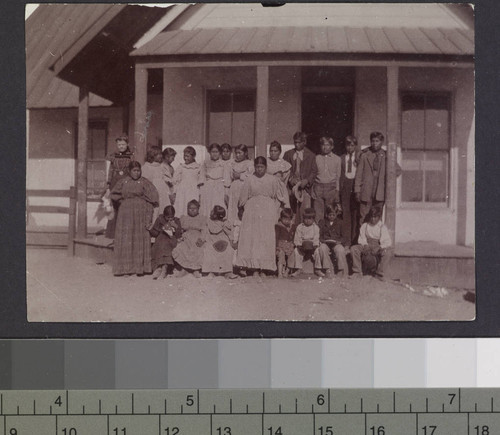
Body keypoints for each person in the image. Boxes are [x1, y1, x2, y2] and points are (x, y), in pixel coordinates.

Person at [235, 156, 288, 276]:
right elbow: (243, 197)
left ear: (266, 167)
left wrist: (277, 209)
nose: (259, 169)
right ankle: (253, 268)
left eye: (262, 167)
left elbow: (279, 196)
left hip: (267, 211)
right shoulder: (249, 180)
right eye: (257, 167)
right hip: (252, 211)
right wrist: (242, 207)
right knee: (253, 238)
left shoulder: (272, 180)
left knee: (265, 238)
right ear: (254, 167)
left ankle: (264, 268)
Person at [110, 161, 159, 276]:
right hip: (126, 213)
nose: (137, 173)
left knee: (138, 238)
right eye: (134, 171)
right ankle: (125, 269)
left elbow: (154, 197)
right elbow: (113, 194)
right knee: (126, 238)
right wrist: (123, 201)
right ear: (129, 171)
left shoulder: (144, 182)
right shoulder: (123, 181)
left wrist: (147, 211)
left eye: (138, 170)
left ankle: (139, 268)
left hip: (140, 213)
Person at [283, 131, 318, 222]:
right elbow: (285, 169)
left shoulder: (311, 155)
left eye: (299, 142)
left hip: (305, 189)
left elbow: (314, 171)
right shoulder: (288, 154)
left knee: (305, 212)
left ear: (304, 142)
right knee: (291, 212)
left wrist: (307, 181)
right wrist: (291, 178)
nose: (297, 144)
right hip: (291, 188)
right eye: (295, 142)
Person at [354, 131, 386, 226]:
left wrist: (384, 181)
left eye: (377, 141)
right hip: (366, 192)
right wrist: (357, 191)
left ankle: (374, 239)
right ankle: (362, 240)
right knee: (363, 217)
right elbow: (358, 175)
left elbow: (397, 170)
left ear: (382, 142)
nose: (375, 143)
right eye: (373, 141)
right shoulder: (365, 155)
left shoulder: (386, 156)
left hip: (379, 193)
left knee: (377, 217)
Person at [105, 134, 134, 239]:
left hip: (126, 182)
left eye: (123, 144)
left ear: (127, 144)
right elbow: (110, 171)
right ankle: (112, 233)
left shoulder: (131, 156)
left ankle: (124, 232)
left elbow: (133, 170)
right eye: (119, 144)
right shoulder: (113, 156)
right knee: (114, 207)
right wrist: (108, 184)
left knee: (125, 206)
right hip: (115, 182)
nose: (121, 146)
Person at [350, 206, 393, 279]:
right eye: (372, 217)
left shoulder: (382, 227)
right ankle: (357, 272)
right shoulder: (365, 225)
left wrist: (380, 247)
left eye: (375, 217)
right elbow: (362, 238)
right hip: (366, 245)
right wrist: (365, 245)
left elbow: (387, 241)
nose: (373, 219)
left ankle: (379, 273)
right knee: (354, 248)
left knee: (387, 252)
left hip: (378, 246)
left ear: (379, 217)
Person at [292, 208, 333, 278]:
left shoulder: (315, 227)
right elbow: (297, 237)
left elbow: (316, 237)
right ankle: (299, 268)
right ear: (303, 219)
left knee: (317, 251)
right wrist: (299, 245)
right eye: (305, 219)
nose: (307, 221)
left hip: (312, 245)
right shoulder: (300, 227)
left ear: (313, 219)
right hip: (302, 245)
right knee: (296, 251)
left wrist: (315, 245)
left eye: (310, 219)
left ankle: (318, 268)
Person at [172, 199, 206, 278]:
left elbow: (205, 230)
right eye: (190, 208)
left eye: (195, 208)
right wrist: (179, 237)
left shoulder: (202, 218)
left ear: (198, 209)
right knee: (181, 247)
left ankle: (195, 269)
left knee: (199, 249)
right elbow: (179, 229)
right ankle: (185, 269)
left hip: (198, 237)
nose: (193, 210)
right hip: (186, 237)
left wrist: (202, 239)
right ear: (187, 209)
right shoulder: (184, 218)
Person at [202, 205, 238, 278]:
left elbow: (229, 234)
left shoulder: (225, 223)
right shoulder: (208, 222)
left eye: (213, 212)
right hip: (211, 239)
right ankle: (211, 271)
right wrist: (202, 239)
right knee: (209, 249)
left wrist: (231, 242)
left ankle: (228, 271)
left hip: (223, 240)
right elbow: (205, 232)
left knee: (228, 250)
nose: (211, 212)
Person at [312, 136, 341, 222]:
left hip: (331, 188)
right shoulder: (316, 158)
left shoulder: (337, 159)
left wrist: (337, 191)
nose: (325, 147)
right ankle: (320, 234)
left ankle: (329, 234)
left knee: (330, 213)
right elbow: (313, 174)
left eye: (327, 145)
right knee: (318, 215)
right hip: (318, 188)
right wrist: (313, 189)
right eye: (323, 145)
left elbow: (338, 177)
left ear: (332, 146)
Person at [149, 205, 182, 280]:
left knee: (166, 244)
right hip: (161, 238)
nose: (170, 219)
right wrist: (150, 229)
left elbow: (178, 235)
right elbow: (155, 233)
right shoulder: (160, 219)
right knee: (160, 244)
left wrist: (176, 227)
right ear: (164, 215)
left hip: (171, 239)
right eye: (168, 217)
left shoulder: (176, 220)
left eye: (171, 217)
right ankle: (159, 268)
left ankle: (164, 268)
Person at [142, 145, 171, 223]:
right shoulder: (146, 167)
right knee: (155, 209)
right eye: (158, 154)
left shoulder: (162, 166)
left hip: (163, 192)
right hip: (153, 190)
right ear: (152, 155)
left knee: (164, 208)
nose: (160, 156)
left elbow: (166, 177)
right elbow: (145, 181)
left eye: (161, 154)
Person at [340, 135, 360, 246]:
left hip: (355, 185)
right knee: (346, 214)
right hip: (346, 186)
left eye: (352, 145)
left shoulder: (359, 157)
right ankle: (346, 241)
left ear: (356, 146)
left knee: (356, 214)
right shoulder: (342, 158)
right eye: (348, 145)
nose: (350, 148)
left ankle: (354, 241)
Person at [318, 204, 349, 277]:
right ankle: (327, 269)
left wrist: (340, 241)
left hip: (336, 242)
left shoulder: (340, 222)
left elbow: (344, 236)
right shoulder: (322, 222)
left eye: (333, 215)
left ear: (337, 214)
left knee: (340, 250)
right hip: (326, 242)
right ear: (326, 215)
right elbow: (320, 235)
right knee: (322, 248)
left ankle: (341, 269)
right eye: (330, 215)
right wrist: (323, 240)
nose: (331, 217)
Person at [199, 143, 228, 218]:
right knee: (208, 206)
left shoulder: (223, 164)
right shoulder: (205, 163)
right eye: (213, 152)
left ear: (220, 153)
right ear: (209, 152)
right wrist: (201, 191)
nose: (214, 154)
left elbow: (226, 179)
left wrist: (226, 192)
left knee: (219, 205)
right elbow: (202, 177)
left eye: (216, 152)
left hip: (219, 187)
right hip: (208, 187)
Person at [227, 144, 254, 223]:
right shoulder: (233, 163)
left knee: (243, 208)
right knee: (233, 208)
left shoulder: (250, 163)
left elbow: (251, 177)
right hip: (234, 189)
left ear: (245, 153)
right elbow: (229, 177)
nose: (237, 155)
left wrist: (240, 175)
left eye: (240, 153)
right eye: (236, 153)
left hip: (244, 188)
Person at [172, 146, 200, 220]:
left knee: (192, 207)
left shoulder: (198, 167)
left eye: (188, 156)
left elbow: (200, 181)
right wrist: (175, 192)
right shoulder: (181, 167)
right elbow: (175, 180)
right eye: (184, 156)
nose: (185, 158)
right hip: (182, 191)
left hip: (193, 191)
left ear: (193, 156)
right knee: (182, 207)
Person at [275, 208, 295, 278]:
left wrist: (293, 243)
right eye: (285, 219)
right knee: (281, 256)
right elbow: (276, 237)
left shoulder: (292, 226)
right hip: (281, 245)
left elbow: (293, 236)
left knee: (292, 256)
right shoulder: (278, 226)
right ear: (281, 218)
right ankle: (280, 272)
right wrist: (276, 247)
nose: (287, 221)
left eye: (289, 219)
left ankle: (287, 271)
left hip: (289, 245)